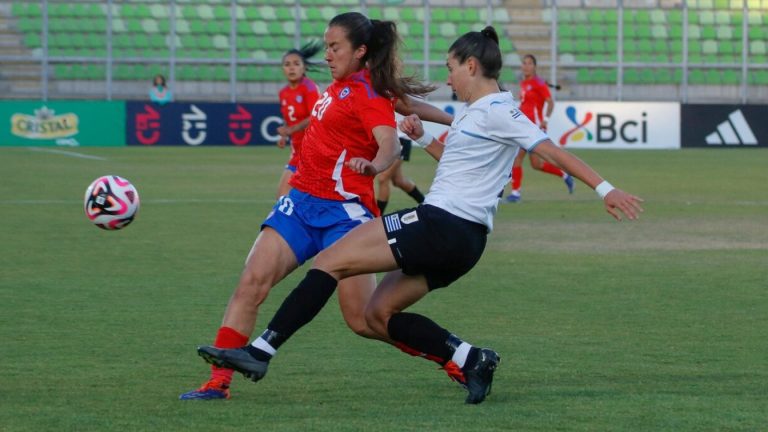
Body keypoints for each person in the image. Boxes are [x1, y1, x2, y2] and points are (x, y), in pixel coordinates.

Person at [196, 27, 644, 404]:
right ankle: (471, 358)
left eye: (451, 68)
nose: (447, 78)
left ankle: (261, 351)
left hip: (440, 224)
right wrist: (424, 135)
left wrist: (605, 189)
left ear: (471, 66)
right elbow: (457, 162)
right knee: (377, 315)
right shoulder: (476, 113)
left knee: (330, 261)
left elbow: (550, 149)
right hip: (465, 243)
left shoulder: (501, 112)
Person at [180, 12, 452, 400]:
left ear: (360, 51)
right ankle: (217, 383)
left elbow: (390, 143)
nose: (326, 54)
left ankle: (456, 358)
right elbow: (406, 102)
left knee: (364, 320)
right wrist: (453, 120)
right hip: (301, 204)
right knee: (251, 283)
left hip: (345, 216)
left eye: (334, 46)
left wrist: (375, 165)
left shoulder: (369, 94)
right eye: (326, 46)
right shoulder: (344, 85)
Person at [506, 54, 573, 203]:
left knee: (517, 158)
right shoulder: (524, 83)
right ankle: (564, 174)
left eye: (529, 63)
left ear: (534, 66)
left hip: (533, 127)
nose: (526, 66)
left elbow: (550, 102)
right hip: (524, 126)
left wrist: (545, 120)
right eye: (524, 63)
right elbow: (526, 105)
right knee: (536, 165)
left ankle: (515, 194)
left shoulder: (538, 83)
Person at [275, 42, 322, 199]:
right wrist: (284, 135)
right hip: (297, 151)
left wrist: (291, 130)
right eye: (287, 64)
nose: (292, 68)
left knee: (284, 197)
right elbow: (289, 118)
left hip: (313, 151)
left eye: (296, 64)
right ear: (283, 69)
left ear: (303, 68)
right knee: (284, 197)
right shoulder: (284, 93)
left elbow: (315, 116)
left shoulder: (309, 88)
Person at [375, 123, 425, 213]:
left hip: (401, 140)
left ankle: (377, 215)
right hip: (389, 138)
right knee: (398, 181)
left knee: (383, 178)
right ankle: (425, 203)